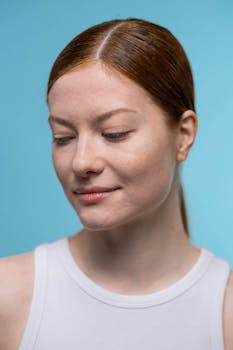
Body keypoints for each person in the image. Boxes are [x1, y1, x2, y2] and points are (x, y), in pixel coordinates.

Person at [0, 17, 232, 350]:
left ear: (183, 136)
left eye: (114, 134)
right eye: (62, 137)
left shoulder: (226, 316)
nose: (81, 162)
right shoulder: (7, 298)